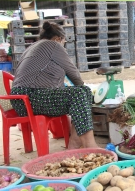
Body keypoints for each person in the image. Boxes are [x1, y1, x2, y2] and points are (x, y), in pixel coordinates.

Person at [10, 21, 98, 149]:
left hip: (20, 100)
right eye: (64, 42)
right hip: (30, 97)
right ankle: (90, 145)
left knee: (83, 91)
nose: (63, 46)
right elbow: (74, 74)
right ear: (58, 39)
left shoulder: (31, 47)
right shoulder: (53, 45)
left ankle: (75, 141)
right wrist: (83, 86)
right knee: (80, 92)